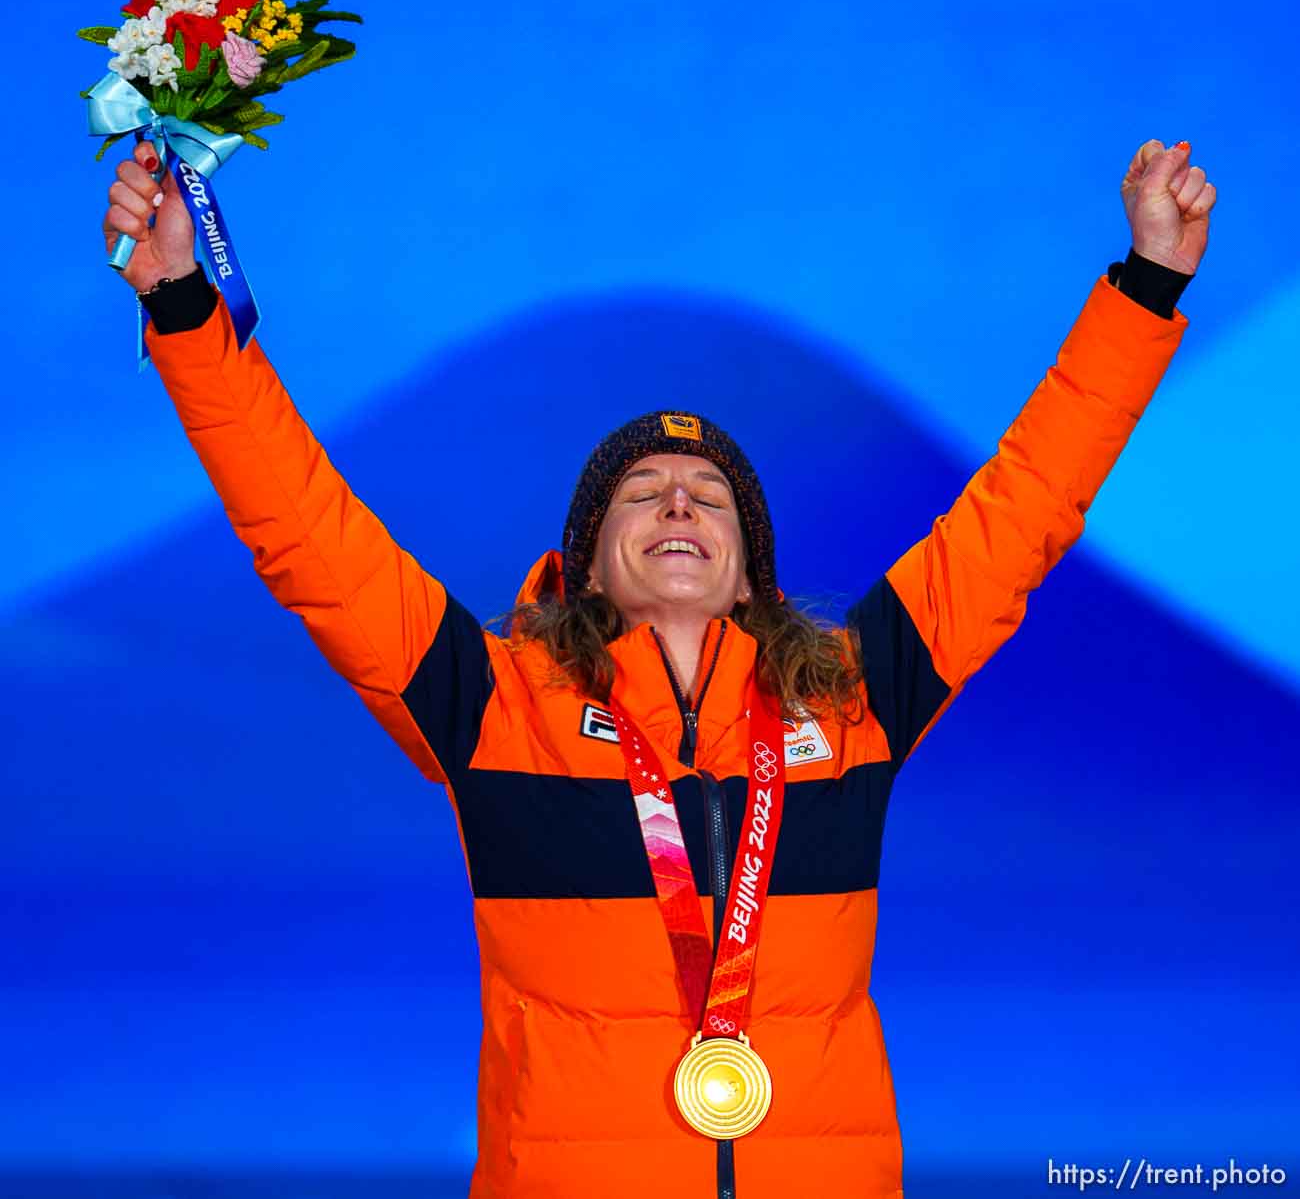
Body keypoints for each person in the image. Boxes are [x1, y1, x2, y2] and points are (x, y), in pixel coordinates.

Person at [101, 136, 1215, 1199]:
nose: (678, 501)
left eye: (709, 497)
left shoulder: (851, 694)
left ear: (746, 578)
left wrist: (1146, 283)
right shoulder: (493, 705)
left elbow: (1024, 505)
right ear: (586, 566)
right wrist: (186, 311)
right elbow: (301, 526)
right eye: (641, 496)